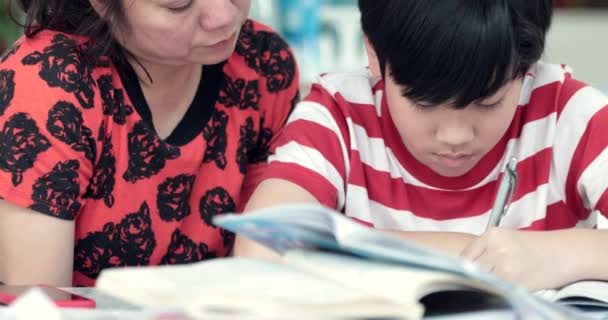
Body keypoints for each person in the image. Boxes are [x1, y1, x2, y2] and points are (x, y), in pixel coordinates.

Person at [235, 0, 608, 291]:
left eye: (489, 101)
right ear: (374, 52)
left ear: (527, 64)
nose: (455, 135)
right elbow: (262, 246)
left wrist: (555, 255)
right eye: (425, 103)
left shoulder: (567, 115)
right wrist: (477, 254)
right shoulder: (338, 117)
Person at [0, 0, 299, 287]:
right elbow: (40, 304)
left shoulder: (262, 64)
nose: (222, 16)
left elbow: (264, 272)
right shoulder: (49, 84)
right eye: (179, 5)